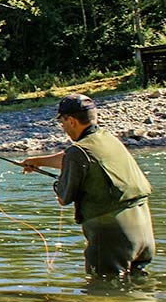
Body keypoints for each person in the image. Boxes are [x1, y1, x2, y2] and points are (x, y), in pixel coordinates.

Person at [22, 93, 155, 280]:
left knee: (103, 294)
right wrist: (39, 161)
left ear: (71, 121)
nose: (63, 127)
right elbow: (75, 157)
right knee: (139, 287)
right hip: (143, 231)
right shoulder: (107, 139)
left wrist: (60, 184)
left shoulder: (78, 151)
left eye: (63, 122)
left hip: (112, 234)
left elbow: (64, 197)